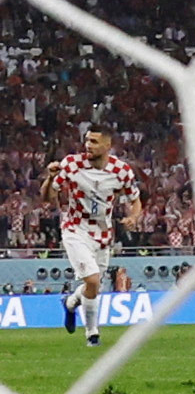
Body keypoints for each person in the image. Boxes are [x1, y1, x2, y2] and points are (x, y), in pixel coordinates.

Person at [39, 124, 142, 348]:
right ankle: (92, 334)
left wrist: (133, 217)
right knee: (92, 280)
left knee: (94, 286)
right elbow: (48, 198)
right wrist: (50, 178)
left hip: (103, 234)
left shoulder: (121, 171)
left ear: (107, 146)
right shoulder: (72, 164)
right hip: (76, 229)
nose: (88, 145)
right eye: (86, 140)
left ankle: (71, 302)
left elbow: (135, 200)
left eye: (94, 141)